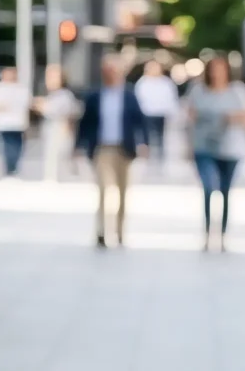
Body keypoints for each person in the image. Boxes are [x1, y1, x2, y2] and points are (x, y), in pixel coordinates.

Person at [74, 56, 151, 248]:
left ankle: (120, 232)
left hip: (124, 148)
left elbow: (140, 121)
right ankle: (101, 231)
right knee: (103, 189)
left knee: (123, 192)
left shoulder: (129, 96)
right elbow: (84, 123)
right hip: (102, 148)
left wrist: (145, 143)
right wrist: (78, 146)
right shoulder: (94, 96)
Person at [187, 53, 245, 252]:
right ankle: (208, 231)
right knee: (209, 188)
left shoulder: (237, 92)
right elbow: (190, 118)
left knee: (225, 191)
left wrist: (231, 117)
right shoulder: (198, 91)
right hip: (204, 147)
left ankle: (223, 233)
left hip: (231, 149)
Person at [133, 58, 179, 168]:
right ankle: (147, 154)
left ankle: (160, 155)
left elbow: (171, 98)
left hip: (160, 113)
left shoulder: (166, 83)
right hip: (146, 113)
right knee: (146, 136)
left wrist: (172, 112)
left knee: (160, 135)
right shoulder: (142, 82)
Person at [0, 66, 29, 177]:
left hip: (18, 123)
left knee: (17, 146)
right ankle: (10, 167)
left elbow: (28, 104)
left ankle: (14, 166)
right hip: (3, 123)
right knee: (7, 146)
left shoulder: (21, 89)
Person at [40, 64, 81, 184]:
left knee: (61, 156)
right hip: (52, 128)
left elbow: (66, 115)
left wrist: (42, 105)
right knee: (52, 156)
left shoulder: (65, 95)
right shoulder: (54, 95)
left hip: (60, 128)